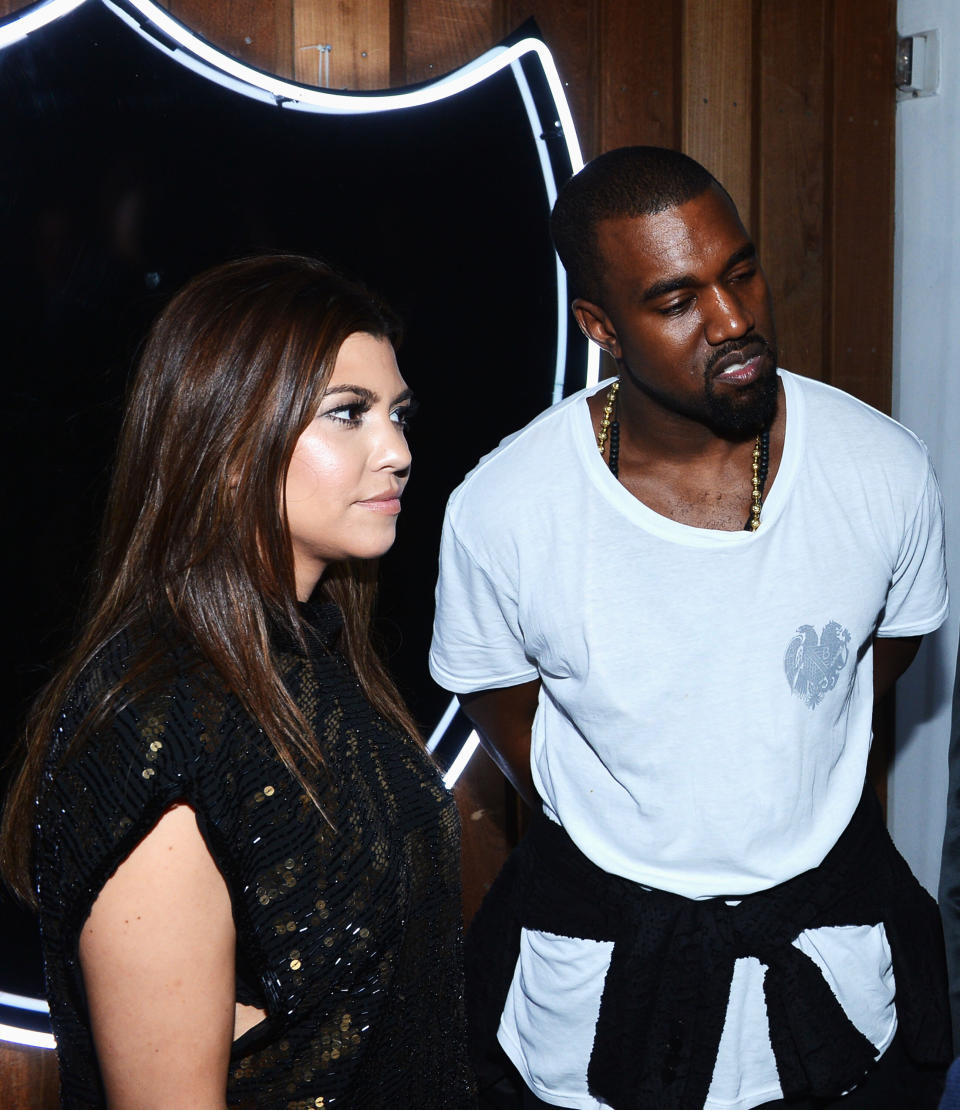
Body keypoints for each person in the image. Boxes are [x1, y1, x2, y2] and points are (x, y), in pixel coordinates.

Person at [429, 147, 951, 1109]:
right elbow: (498, 697)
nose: (734, 320)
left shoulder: (884, 469)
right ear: (602, 327)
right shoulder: (503, 509)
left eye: (740, 270)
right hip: (600, 995)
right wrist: (645, 816)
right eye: (676, 301)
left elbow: (885, 655)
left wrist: (775, 737)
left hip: (835, 971)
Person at [0, 254, 475, 1109]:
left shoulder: (320, 661)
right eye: (349, 416)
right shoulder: (162, 728)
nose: (398, 451)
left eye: (398, 414)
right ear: (226, 441)